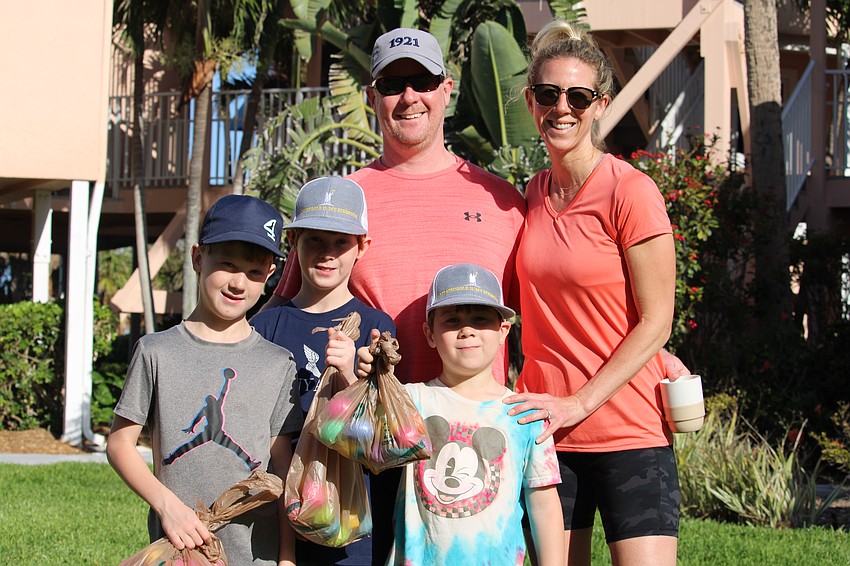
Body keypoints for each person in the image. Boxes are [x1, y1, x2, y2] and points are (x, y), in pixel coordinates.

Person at [504, 20, 681, 566]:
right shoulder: (528, 196)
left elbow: (658, 320)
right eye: (549, 94)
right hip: (547, 435)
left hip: (630, 429)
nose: (563, 107)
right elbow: (509, 310)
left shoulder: (630, 191)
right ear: (531, 102)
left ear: (600, 105)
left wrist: (579, 401)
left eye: (578, 96)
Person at [260, 27, 526, 389]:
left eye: (423, 81)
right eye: (391, 85)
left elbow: (538, 324)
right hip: (364, 430)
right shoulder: (342, 201)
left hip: (472, 433)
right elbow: (285, 308)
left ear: (446, 91)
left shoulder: (503, 203)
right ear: (372, 97)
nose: (409, 97)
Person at [106, 195, 304, 565]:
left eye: (254, 271)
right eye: (226, 264)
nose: (238, 282)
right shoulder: (156, 352)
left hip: (256, 556)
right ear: (198, 258)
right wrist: (168, 506)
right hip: (180, 551)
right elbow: (119, 444)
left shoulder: (278, 364)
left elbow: (282, 469)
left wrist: (287, 558)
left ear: (270, 274)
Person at [250, 176, 396, 565]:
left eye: (340, 242)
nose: (326, 253)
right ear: (293, 241)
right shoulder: (265, 327)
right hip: (274, 516)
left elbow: (382, 444)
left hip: (351, 519)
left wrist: (350, 376)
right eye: (314, 239)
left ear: (362, 246)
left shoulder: (376, 328)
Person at [378, 263, 563, 565]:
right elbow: (353, 435)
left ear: (504, 330)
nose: (467, 330)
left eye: (480, 319)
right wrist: (360, 371)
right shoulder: (408, 400)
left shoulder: (525, 414)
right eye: (452, 320)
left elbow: (542, 504)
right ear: (430, 334)